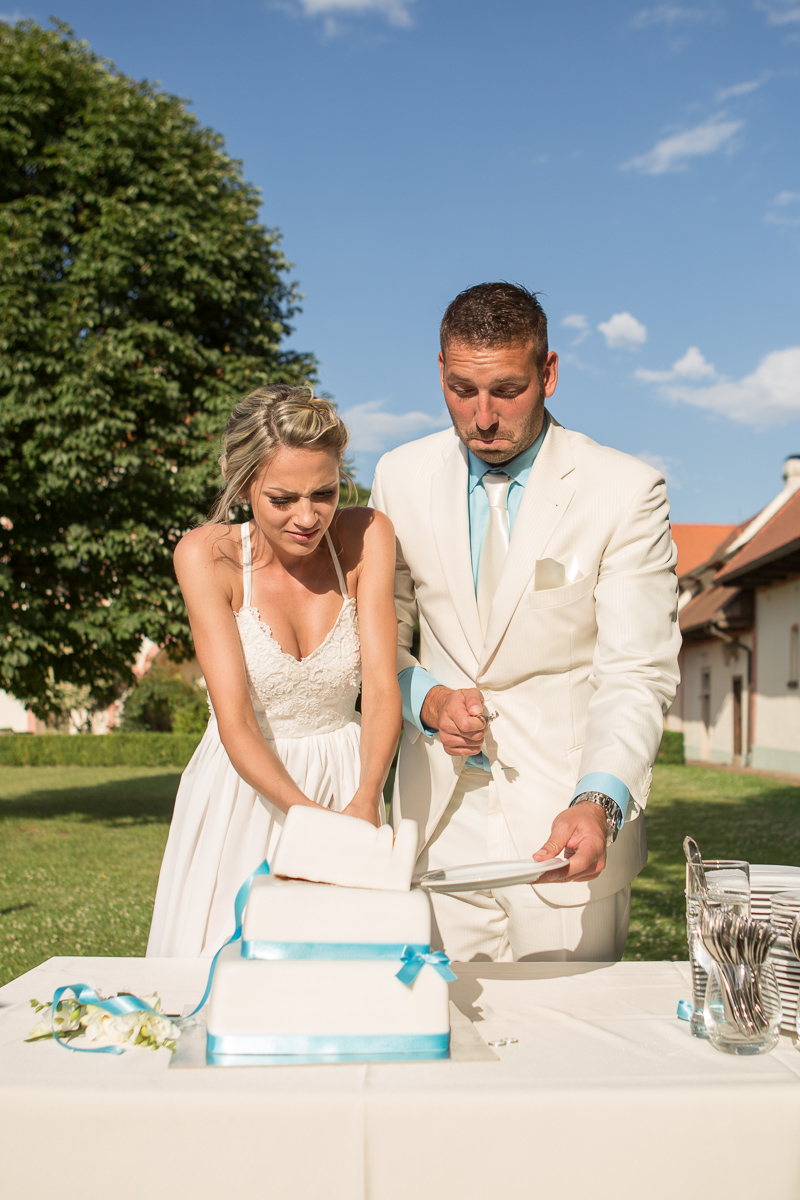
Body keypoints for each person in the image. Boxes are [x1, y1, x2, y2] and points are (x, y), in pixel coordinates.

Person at [369, 283, 680, 962]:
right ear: (441, 372)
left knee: (570, 1027)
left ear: (549, 373)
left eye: (506, 391)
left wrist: (599, 802)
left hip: (566, 829)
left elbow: (636, 672)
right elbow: (375, 639)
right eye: (461, 390)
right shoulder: (399, 475)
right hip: (435, 824)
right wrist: (427, 700)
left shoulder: (625, 491)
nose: (482, 417)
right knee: (439, 1019)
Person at [147, 385, 401, 958]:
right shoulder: (204, 556)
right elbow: (235, 722)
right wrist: (312, 822)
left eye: (324, 493)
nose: (307, 518)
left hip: (350, 782)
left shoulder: (367, 536)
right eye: (282, 499)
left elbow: (382, 689)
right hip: (246, 789)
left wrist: (365, 798)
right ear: (243, 486)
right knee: (226, 966)